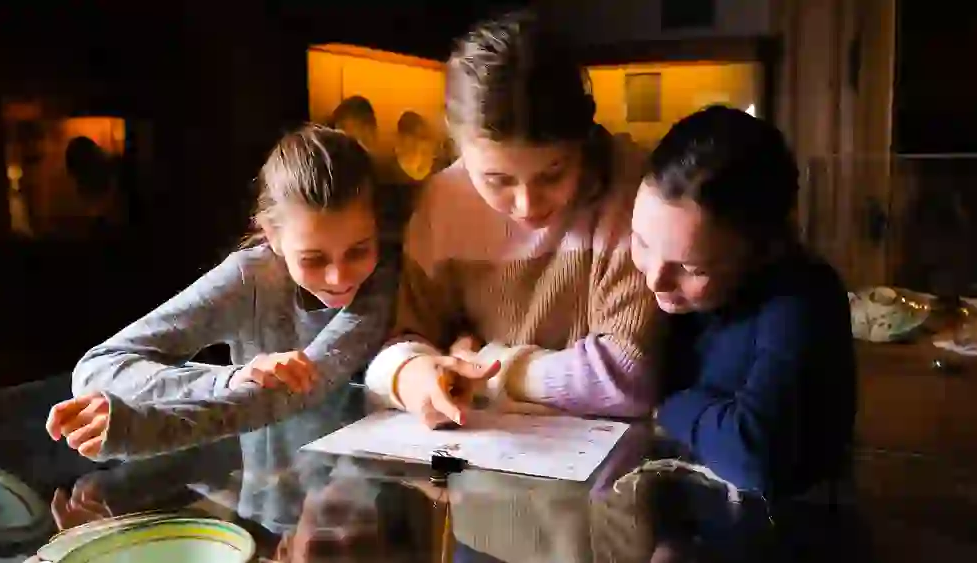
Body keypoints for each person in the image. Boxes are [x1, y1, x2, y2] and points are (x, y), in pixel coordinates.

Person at [361, 10, 662, 563]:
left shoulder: (628, 186)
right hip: (483, 512)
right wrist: (416, 373)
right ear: (459, 146)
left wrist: (491, 373)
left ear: (583, 139)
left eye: (553, 173)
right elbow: (397, 343)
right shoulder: (442, 203)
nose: (528, 205)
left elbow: (629, 373)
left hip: (605, 515)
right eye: (497, 180)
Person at [45, 125, 409, 529]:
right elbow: (99, 366)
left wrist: (141, 427)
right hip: (266, 513)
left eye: (359, 250)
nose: (339, 276)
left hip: (370, 513)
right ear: (272, 235)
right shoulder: (250, 278)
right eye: (313, 258)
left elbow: (301, 389)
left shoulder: (383, 281)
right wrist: (231, 379)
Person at [627, 106, 859, 562]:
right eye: (641, 241)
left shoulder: (803, 296)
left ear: (762, 250)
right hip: (689, 520)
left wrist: (668, 402)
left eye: (691, 267)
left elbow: (755, 454)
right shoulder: (677, 293)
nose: (654, 279)